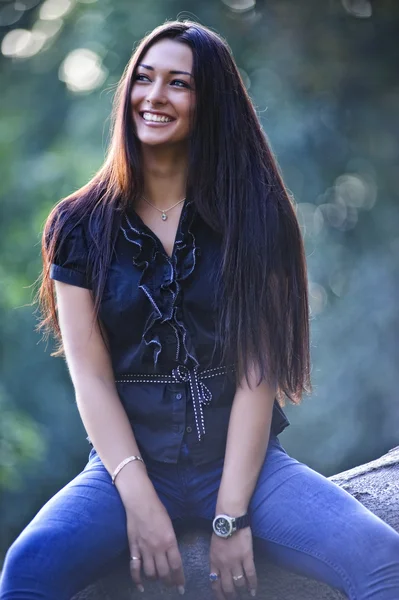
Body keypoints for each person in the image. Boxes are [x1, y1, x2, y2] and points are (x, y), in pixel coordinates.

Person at [1, 20, 398, 600]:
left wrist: (231, 516)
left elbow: (258, 373)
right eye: (144, 78)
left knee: (384, 560)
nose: (154, 96)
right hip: (126, 468)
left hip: (247, 467)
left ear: (210, 101)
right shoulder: (77, 225)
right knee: (26, 569)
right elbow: (89, 376)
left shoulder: (257, 215)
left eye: (178, 83)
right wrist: (139, 499)